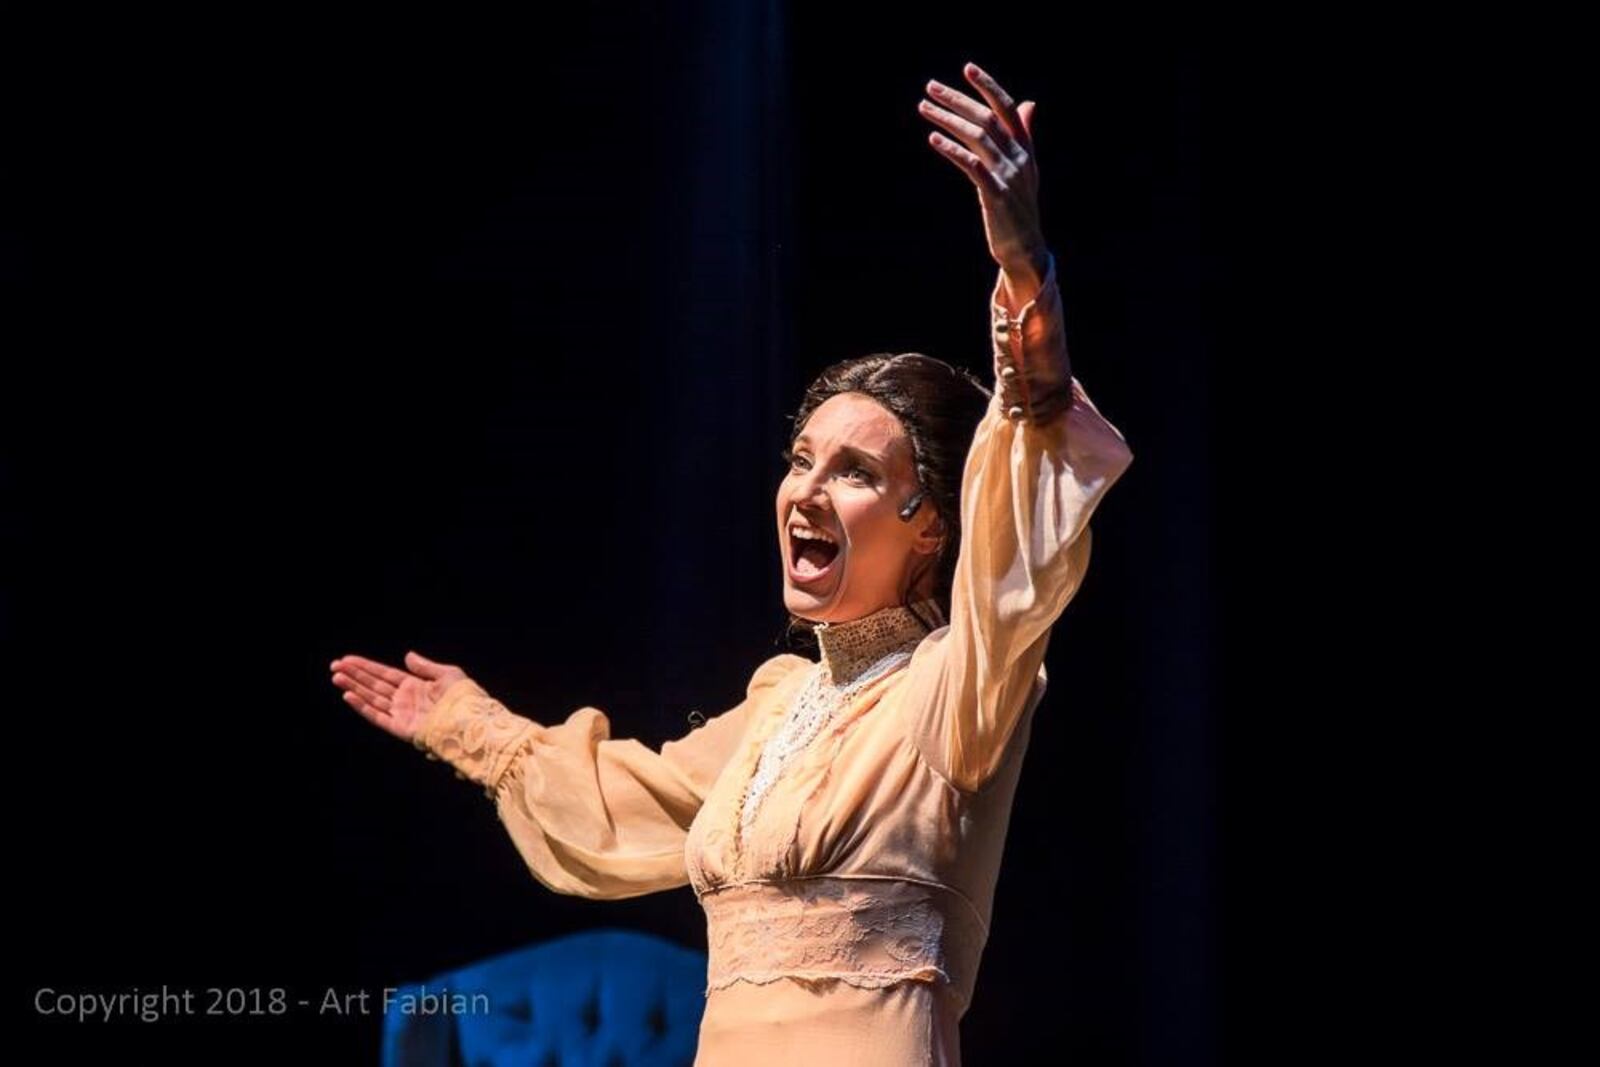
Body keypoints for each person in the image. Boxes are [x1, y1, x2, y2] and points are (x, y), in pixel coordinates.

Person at [331, 60, 1135, 1066]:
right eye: (799, 459)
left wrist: (1024, 275)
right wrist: (474, 729)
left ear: (929, 523)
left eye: (850, 470)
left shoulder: (955, 686)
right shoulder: (779, 705)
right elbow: (631, 796)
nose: (804, 488)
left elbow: (1024, 504)